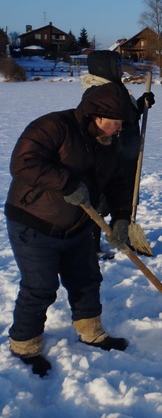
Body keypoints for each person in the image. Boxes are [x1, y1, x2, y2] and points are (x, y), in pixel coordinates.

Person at [4, 82, 135, 377]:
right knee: (40, 288)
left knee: (87, 279)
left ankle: (91, 331)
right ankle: (24, 345)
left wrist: (122, 218)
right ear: (97, 115)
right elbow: (22, 164)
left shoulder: (108, 141)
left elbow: (117, 181)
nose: (120, 128)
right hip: (33, 222)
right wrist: (67, 183)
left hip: (77, 225)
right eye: (116, 122)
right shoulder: (53, 126)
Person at [81, 51, 154, 252]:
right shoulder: (98, 91)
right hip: (110, 155)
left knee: (123, 196)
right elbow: (108, 122)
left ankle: (122, 237)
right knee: (103, 198)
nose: (121, 69)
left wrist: (139, 105)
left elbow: (122, 117)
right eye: (117, 65)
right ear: (105, 67)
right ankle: (91, 246)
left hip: (124, 154)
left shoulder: (113, 89)